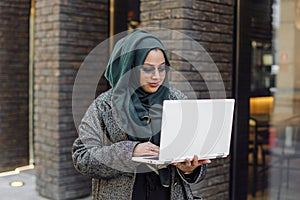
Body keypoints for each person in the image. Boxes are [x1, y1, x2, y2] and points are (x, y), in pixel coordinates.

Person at [72, 30, 211, 200]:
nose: (156, 76)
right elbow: (82, 157)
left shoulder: (178, 100)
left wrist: (191, 169)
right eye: (147, 69)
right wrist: (130, 152)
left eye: (162, 68)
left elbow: (193, 153)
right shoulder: (104, 106)